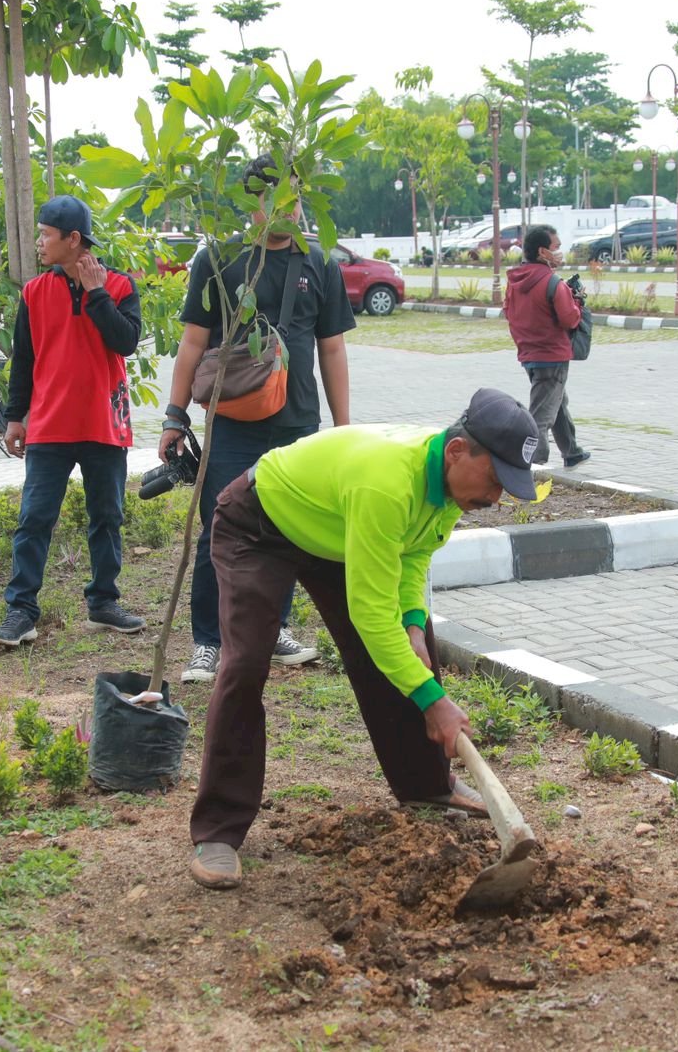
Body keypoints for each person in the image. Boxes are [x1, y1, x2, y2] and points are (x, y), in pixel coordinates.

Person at [188, 388, 540, 889]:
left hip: (334, 531)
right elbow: (372, 615)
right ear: (459, 450)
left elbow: (414, 555)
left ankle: (426, 785)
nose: (496, 497)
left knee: (405, 643)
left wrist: (415, 624)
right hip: (260, 524)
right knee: (245, 663)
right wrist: (432, 698)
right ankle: (218, 830)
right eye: (495, 479)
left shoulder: (452, 484)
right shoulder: (388, 483)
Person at [159, 154, 354, 685]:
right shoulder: (219, 259)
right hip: (233, 421)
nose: (285, 208)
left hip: (296, 424)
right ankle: (208, 641)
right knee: (220, 526)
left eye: (293, 196)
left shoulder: (321, 263)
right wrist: (174, 417)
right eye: (273, 198)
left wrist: (344, 428)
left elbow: (331, 350)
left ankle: (275, 628)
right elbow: (193, 343)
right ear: (250, 203)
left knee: (288, 527)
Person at [0, 195, 145, 647]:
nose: (39, 243)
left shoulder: (118, 285)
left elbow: (126, 341)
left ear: (73, 240)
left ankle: (103, 603)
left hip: (103, 422)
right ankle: (21, 611)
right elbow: (24, 359)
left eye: (46, 235)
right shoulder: (35, 292)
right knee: (34, 518)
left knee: (107, 517)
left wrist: (96, 295)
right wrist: (15, 417)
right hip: (50, 426)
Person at [502, 223, 590, 469]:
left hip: (529, 353)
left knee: (556, 401)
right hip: (552, 355)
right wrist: (577, 302)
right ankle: (532, 464)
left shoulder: (515, 281)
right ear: (543, 252)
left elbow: (509, 313)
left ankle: (571, 451)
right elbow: (570, 319)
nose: (560, 252)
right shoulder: (552, 283)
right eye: (556, 247)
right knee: (541, 416)